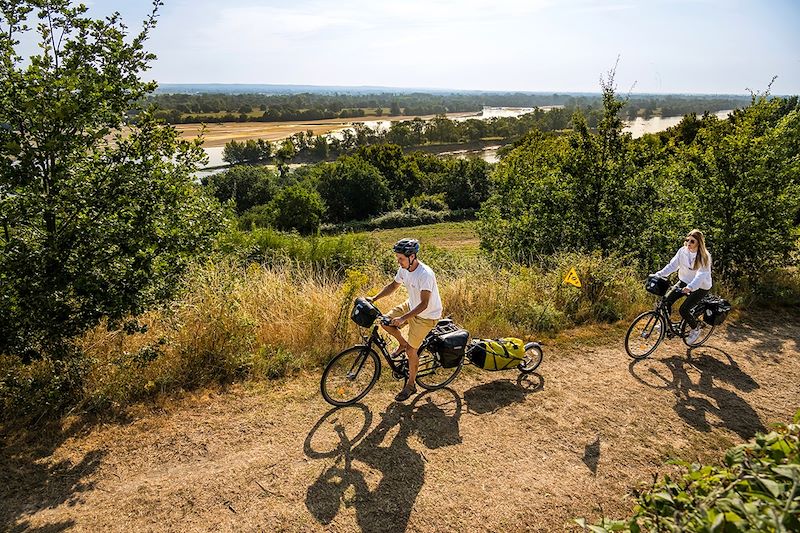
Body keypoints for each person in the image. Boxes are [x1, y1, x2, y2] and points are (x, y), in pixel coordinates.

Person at [368, 238, 443, 402]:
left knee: (411, 351)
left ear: (412, 257)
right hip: (411, 306)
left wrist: (402, 319)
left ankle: (411, 384)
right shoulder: (404, 269)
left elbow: (424, 304)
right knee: (384, 321)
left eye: (401, 258)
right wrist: (374, 299)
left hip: (427, 315)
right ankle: (402, 343)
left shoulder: (425, 274)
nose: (398, 261)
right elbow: (393, 286)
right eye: (398, 258)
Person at [654, 229, 713, 344]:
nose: (688, 243)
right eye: (687, 240)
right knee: (666, 301)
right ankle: (664, 325)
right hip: (684, 281)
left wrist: (690, 287)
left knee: (684, 309)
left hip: (701, 286)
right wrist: (659, 274)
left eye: (692, 241)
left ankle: (695, 329)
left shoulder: (704, 256)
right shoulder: (682, 251)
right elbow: (672, 266)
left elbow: (701, 275)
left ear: (699, 243)